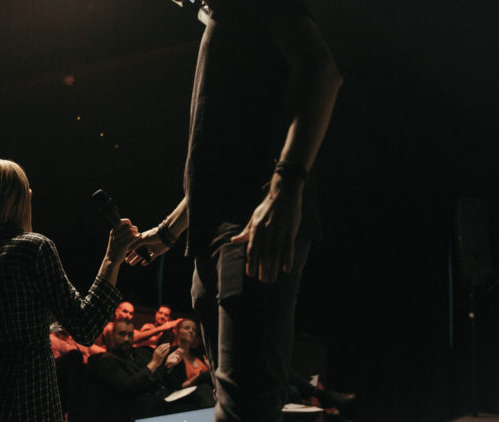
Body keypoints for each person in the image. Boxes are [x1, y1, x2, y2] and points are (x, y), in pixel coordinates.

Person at [126, 1, 342, 419]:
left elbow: (322, 70)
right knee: (231, 405)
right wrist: (167, 232)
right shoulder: (222, 22)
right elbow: (222, 162)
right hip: (213, 234)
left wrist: (284, 187)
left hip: (247, 229)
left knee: (247, 407)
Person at [0, 159, 137, 421]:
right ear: (23, 199)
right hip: (29, 400)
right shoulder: (35, 249)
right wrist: (112, 257)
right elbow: (85, 327)